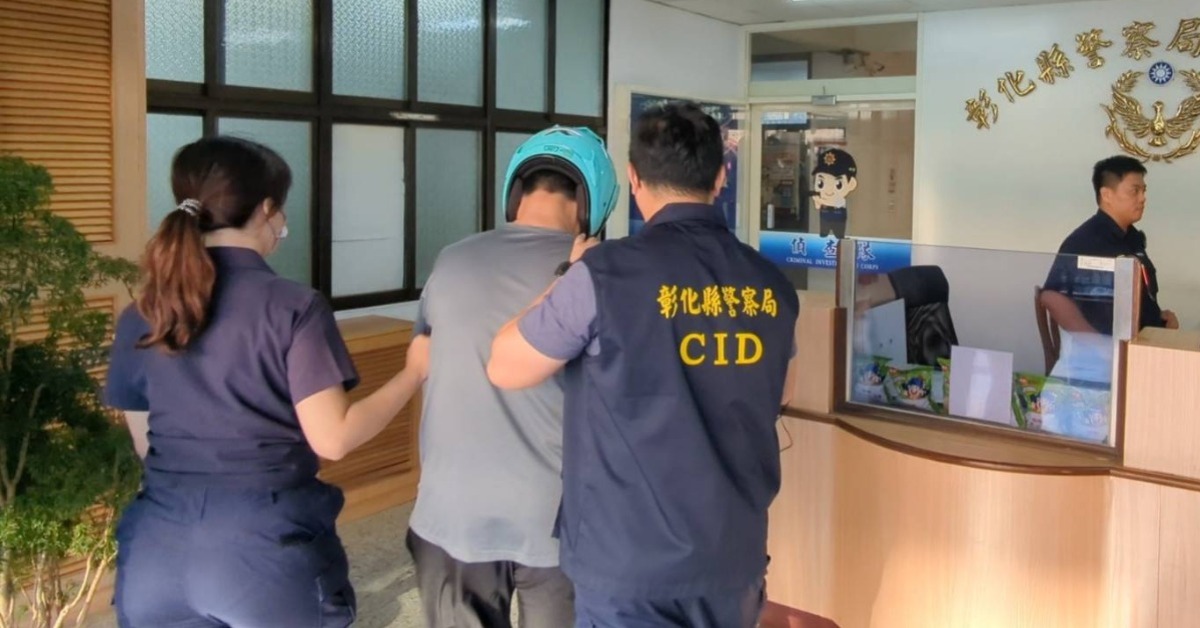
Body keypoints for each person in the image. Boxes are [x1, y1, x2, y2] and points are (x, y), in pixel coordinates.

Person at [487, 103, 800, 628]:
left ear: (633, 179)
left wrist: (566, 276)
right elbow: (783, 392)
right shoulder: (771, 284)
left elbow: (505, 366)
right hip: (731, 559)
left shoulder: (603, 275)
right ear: (720, 177)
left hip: (627, 564)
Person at [105, 136, 428, 627]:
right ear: (268, 210)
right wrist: (413, 372)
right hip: (263, 552)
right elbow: (334, 437)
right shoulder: (293, 306)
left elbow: (145, 443)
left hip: (155, 551)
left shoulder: (141, 314)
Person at [405, 126, 618, 628]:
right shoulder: (603, 274)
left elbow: (425, 365)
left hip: (450, 511)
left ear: (515, 191)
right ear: (594, 201)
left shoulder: (451, 260)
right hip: (560, 522)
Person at [1041, 155, 1177, 335]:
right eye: (1134, 191)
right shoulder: (1086, 241)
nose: (1142, 198)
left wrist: (1158, 318)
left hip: (1144, 340)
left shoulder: (1131, 237)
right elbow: (1052, 296)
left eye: (1144, 191)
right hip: (1109, 348)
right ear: (1107, 195)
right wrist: (1094, 341)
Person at [811, 148, 858, 239]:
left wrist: (820, 200)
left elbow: (834, 202)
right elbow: (817, 206)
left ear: (851, 184)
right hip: (824, 218)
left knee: (839, 237)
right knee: (823, 237)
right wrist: (817, 201)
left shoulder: (840, 201)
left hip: (838, 220)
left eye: (838, 184)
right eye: (821, 183)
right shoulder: (822, 199)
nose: (828, 190)